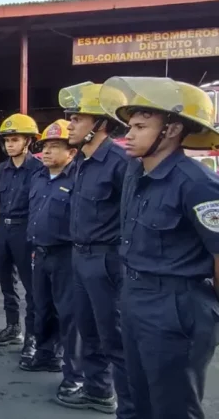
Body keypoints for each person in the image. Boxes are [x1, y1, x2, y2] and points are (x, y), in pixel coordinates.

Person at [101, 76, 219, 419]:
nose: (129, 134)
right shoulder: (136, 175)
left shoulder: (197, 184)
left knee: (173, 406)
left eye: (140, 126)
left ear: (170, 130)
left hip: (176, 307)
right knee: (137, 399)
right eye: (130, 126)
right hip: (136, 298)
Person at [58, 82, 131, 415]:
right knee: (86, 328)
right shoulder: (82, 162)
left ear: (100, 123)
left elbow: (132, 217)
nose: (69, 124)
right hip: (80, 255)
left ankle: (130, 406)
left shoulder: (120, 162)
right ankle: (97, 390)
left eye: (77, 118)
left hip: (106, 260)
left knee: (113, 335)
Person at [23, 120, 85, 400]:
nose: (46, 152)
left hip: (66, 255)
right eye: (45, 147)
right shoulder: (37, 178)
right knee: (42, 308)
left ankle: (75, 375)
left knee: (70, 316)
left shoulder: (78, 179)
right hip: (41, 253)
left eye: (55, 147)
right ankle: (46, 355)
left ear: (71, 153)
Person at [0, 114, 43, 363]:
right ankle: (13, 327)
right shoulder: (1, 170)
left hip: (26, 231)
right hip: (4, 231)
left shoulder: (39, 170)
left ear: (29, 141)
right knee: (6, 283)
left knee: (32, 289)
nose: (10, 144)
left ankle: (33, 337)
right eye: (7, 140)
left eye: (15, 139)